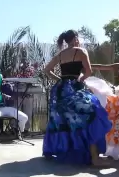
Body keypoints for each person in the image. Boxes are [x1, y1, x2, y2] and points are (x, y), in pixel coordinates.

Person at [42, 29, 112, 166]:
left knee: (65, 122)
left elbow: (46, 70)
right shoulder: (81, 51)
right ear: (75, 38)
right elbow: (89, 71)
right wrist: (81, 80)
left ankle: (70, 152)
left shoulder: (61, 54)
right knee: (93, 114)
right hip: (74, 87)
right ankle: (94, 158)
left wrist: (60, 79)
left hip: (61, 90)